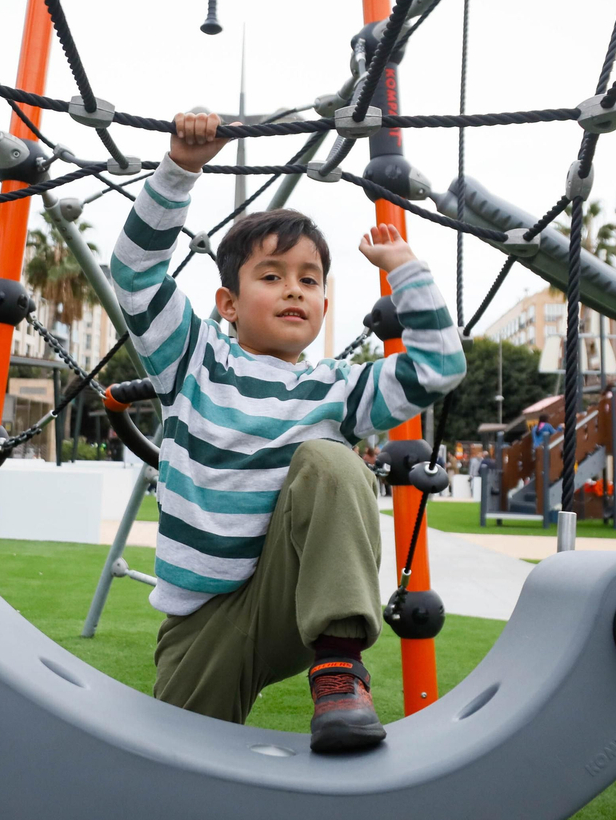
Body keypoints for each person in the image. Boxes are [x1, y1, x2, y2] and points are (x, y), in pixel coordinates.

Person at [110, 110, 466, 753]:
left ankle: (338, 667)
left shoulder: (336, 386)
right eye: (271, 276)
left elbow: (441, 366)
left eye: (309, 280)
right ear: (228, 303)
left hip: (290, 597)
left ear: (326, 302)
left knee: (332, 461)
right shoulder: (192, 360)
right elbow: (135, 276)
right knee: (175, 762)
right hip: (202, 617)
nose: (293, 290)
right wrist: (181, 169)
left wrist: (406, 266)